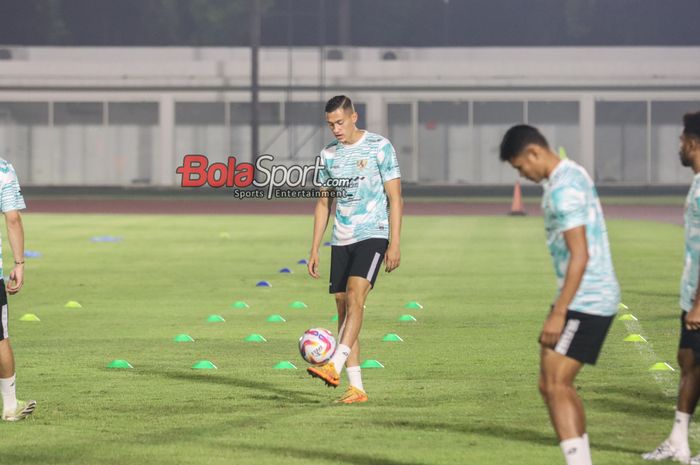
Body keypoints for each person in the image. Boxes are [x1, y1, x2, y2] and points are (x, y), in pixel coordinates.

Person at [500, 125, 620, 465]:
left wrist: (559, 311)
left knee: (554, 382)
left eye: (520, 167)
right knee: (553, 382)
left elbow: (579, 254)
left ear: (534, 153)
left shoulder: (563, 190)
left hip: (587, 298)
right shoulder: (570, 172)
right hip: (585, 295)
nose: (523, 175)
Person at [307, 95, 403, 404]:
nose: (335, 129)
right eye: (330, 124)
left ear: (354, 117)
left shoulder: (379, 147)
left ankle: (333, 365)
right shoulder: (328, 156)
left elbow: (396, 199)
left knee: (355, 296)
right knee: (342, 308)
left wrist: (395, 243)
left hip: (373, 233)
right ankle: (356, 387)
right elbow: (324, 203)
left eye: (339, 122)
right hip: (342, 238)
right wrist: (314, 249)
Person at [643, 111, 700, 464]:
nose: (678, 146)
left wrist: (698, 303)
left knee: (694, 362)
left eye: (681, 140)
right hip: (691, 291)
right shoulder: (696, 182)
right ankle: (679, 441)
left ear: (694, 143)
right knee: (688, 360)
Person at [0, 157, 36, 421]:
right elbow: (13, 219)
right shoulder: (2, 169)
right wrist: (19, 263)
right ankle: (10, 406)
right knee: (0, 339)